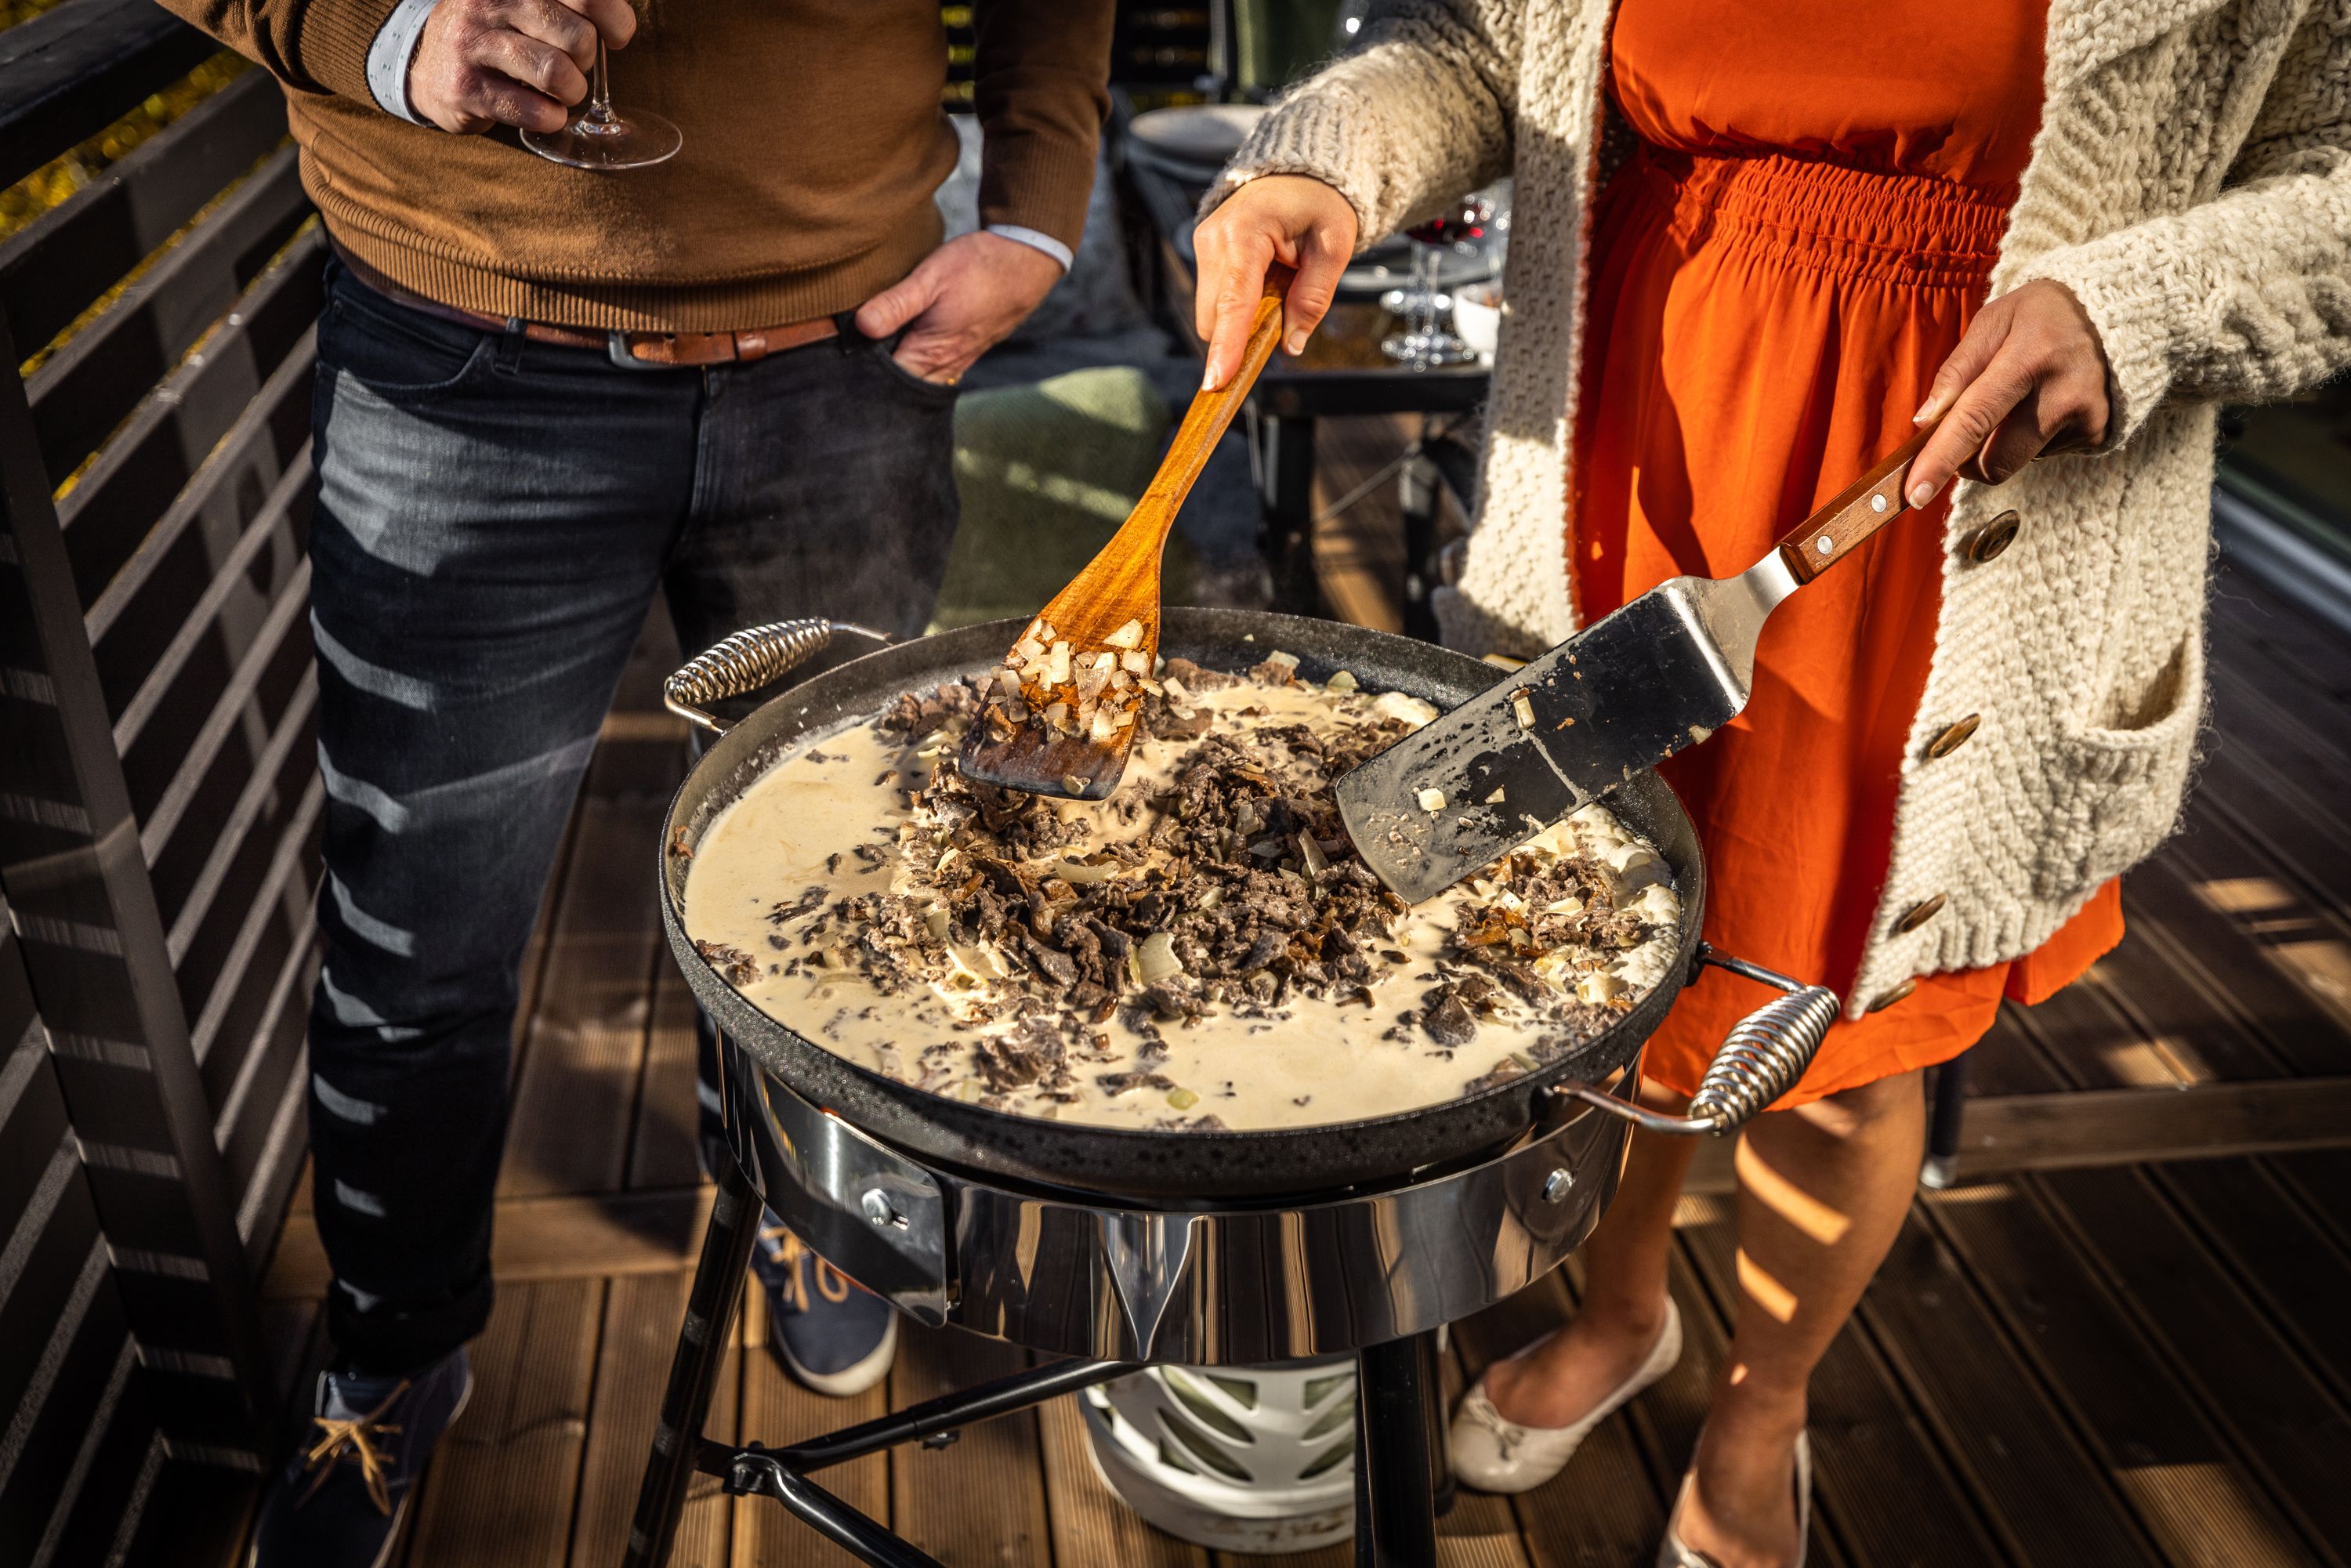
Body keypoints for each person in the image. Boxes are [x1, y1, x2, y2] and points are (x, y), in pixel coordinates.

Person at [1194, 2, 2349, 1563]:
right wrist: (1325, 161)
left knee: (1843, 1033)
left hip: (1945, 511)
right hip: (1631, 463)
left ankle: (1765, 1402)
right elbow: (1480, 53)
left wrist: (2137, 305)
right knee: (1594, 973)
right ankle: (1623, 1312)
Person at [150, 0, 1112, 1560]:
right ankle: (392, 1346)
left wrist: (1038, 215)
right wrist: (384, 34)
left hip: (852, 365)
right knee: (421, 936)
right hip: (463, 365)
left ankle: (809, 1217)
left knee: (844, 893)